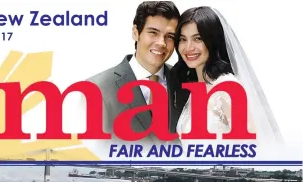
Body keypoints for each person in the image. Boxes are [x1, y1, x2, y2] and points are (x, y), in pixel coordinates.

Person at [171, 7, 282, 144]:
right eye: (183, 39)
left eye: (198, 38)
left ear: (213, 41)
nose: (189, 47)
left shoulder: (227, 88)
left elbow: (250, 149)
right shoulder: (196, 89)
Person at [82, 1, 182, 143]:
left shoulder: (186, 82)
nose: (162, 43)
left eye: (170, 36)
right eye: (153, 33)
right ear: (135, 33)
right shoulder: (98, 88)